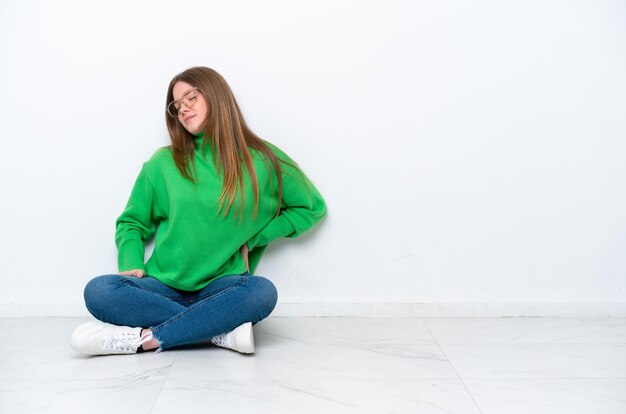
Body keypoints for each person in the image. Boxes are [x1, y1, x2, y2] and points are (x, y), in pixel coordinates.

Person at [70, 66, 327, 356]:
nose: (183, 109)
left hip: (224, 286)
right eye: (177, 105)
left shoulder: (264, 159)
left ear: (216, 95)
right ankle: (218, 331)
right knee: (100, 291)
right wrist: (130, 260)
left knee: (262, 292)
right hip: (162, 285)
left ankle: (145, 339)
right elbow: (131, 222)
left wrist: (256, 239)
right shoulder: (163, 163)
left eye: (190, 97)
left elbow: (311, 207)